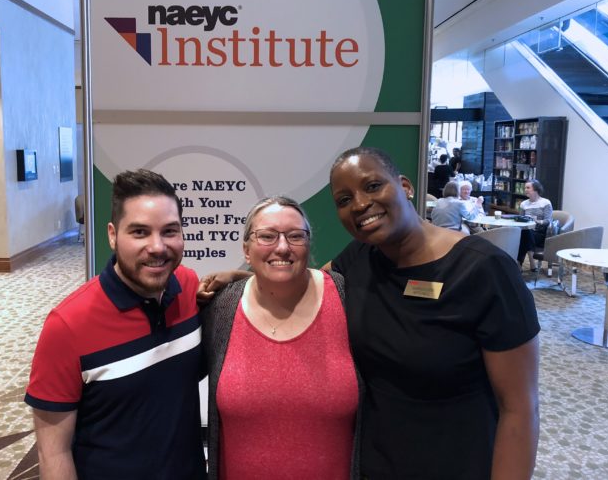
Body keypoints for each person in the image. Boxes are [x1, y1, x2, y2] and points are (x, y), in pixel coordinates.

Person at [327, 147, 539, 480]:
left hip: (459, 464)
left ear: (406, 186)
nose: (360, 204)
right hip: (377, 465)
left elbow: (520, 409)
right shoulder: (359, 257)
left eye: (371, 186)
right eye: (343, 200)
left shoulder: (484, 271)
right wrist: (242, 280)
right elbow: (305, 283)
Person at [25, 169, 206, 480]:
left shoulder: (188, 288)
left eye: (169, 231)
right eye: (139, 232)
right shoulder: (67, 326)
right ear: (112, 234)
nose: (157, 246)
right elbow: (53, 451)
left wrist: (237, 277)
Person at [202, 196, 361, 480]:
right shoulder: (220, 309)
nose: (283, 246)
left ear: (309, 244)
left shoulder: (347, 299)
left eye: (296, 236)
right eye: (267, 236)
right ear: (246, 250)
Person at [516, 179, 553, 268]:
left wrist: (537, 221)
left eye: (528, 188)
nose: (525, 190)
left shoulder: (545, 202)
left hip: (539, 233)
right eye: (525, 188)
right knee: (525, 232)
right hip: (526, 231)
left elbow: (548, 221)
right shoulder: (523, 204)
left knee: (525, 234)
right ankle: (531, 262)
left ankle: (519, 264)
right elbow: (520, 220)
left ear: (536, 189)